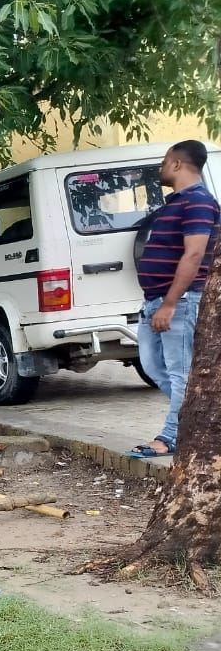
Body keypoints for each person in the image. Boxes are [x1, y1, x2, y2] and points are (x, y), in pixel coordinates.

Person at [128, 140, 219, 458]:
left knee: (181, 373)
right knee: (153, 367)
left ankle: (172, 437)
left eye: (165, 161)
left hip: (178, 302)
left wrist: (169, 303)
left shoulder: (198, 201)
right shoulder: (176, 203)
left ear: (177, 164)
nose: (161, 168)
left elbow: (194, 255)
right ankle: (201, 420)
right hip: (155, 300)